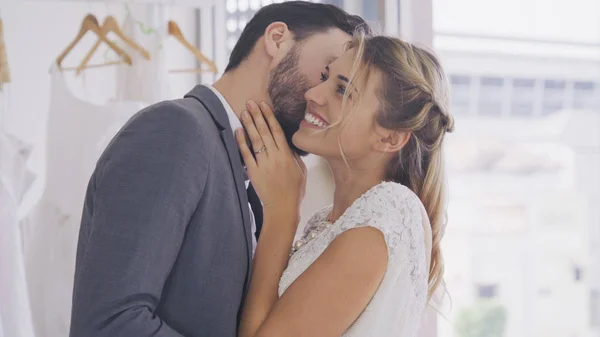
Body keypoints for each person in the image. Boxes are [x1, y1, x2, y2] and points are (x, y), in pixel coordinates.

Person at [69, 2, 369, 337]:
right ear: (277, 39)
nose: (322, 96)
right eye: (326, 72)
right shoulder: (174, 130)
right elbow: (109, 324)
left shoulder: (256, 176)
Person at [235, 33, 455, 337]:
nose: (313, 93)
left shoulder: (384, 216)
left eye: (342, 90)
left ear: (390, 137)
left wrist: (281, 213)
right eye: (325, 77)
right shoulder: (333, 219)